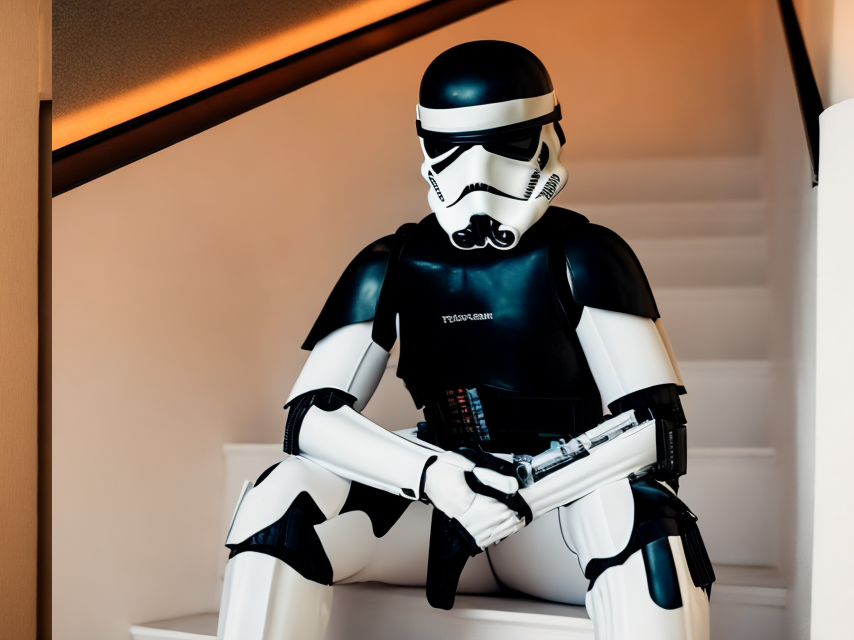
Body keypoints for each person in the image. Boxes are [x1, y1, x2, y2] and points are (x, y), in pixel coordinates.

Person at [214, 40, 714, 640]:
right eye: (453, 148)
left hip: (558, 514)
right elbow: (309, 422)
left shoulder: (584, 254)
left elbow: (656, 430)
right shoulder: (392, 263)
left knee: (645, 519)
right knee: (279, 500)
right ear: (427, 147)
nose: (477, 171)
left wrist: (524, 493)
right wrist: (436, 478)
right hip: (439, 507)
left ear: (549, 136)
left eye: (507, 143)